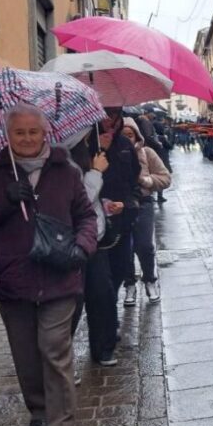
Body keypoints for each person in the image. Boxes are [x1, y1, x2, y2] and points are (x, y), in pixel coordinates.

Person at [0, 104, 96, 426]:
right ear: (8, 135)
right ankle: (38, 411)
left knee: (54, 348)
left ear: (45, 134)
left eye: (33, 132)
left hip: (59, 275)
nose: (26, 139)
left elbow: (85, 216)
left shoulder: (66, 171)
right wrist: (4, 199)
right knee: (26, 355)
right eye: (19, 132)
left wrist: (81, 248)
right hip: (13, 278)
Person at [66, 131, 120, 367]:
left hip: (95, 241)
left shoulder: (81, 165)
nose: (91, 144)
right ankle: (62, 362)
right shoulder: (67, 167)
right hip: (73, 244)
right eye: (87, 141)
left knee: (102, 297)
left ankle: (103, 348)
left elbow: (92, 203)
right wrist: (96, 173)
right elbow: (79, 201)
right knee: (72, 305)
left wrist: (106, 207)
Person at [121, 118, 172, 305]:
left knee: (144, 245)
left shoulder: (147, 153)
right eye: (122, 135)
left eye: (130, 135)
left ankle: (149, 279)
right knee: (125, 248)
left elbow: (165, 178)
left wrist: (147, 180)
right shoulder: (110, 154)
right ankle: (129, 285)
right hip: (121, 207)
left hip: (143, 203)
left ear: (136, 135)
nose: (127, 139)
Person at [98, 108, 142, 316]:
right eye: (105, 113)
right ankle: (104, 331)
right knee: (99, 283)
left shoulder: (125, 145)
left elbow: (134, 180)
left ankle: (109, 320)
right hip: (94, 224)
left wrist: (127, 203)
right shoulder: (85, 144)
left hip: (121, 223)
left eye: (113, 114)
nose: (109, 119)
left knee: (117, 272)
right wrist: (100, 150)